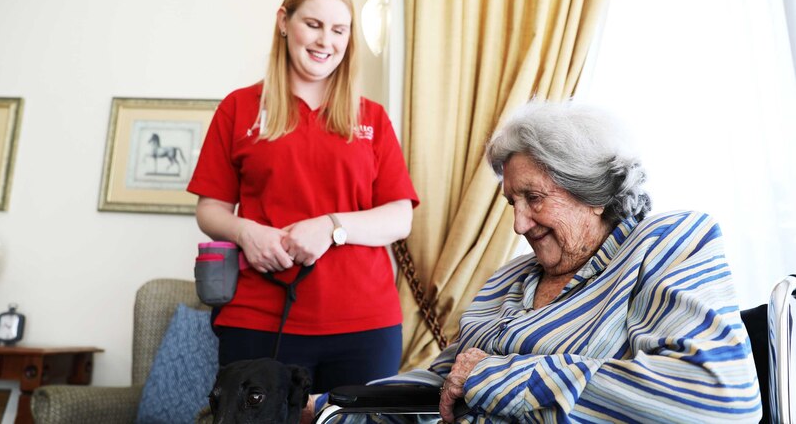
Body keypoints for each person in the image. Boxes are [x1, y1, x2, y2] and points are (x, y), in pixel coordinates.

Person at [309, 100, 761, 423]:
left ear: (593, 193)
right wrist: (336, 405)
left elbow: (718, 399)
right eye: (511, 202)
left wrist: (497, 375)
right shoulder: (509, 280)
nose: (519, 225)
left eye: (534, 198)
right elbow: (440, 381)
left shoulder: (667, 243)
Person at [188, 0, 418, 393]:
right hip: (257, 317)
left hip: (364, 324)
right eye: (312, 24)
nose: (324, 41)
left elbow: (400, 217)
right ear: (283, 22)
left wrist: (332, 227)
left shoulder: (371, 118)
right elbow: (210, 208)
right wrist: (247, 232)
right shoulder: (238, 108)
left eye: (338, 29)